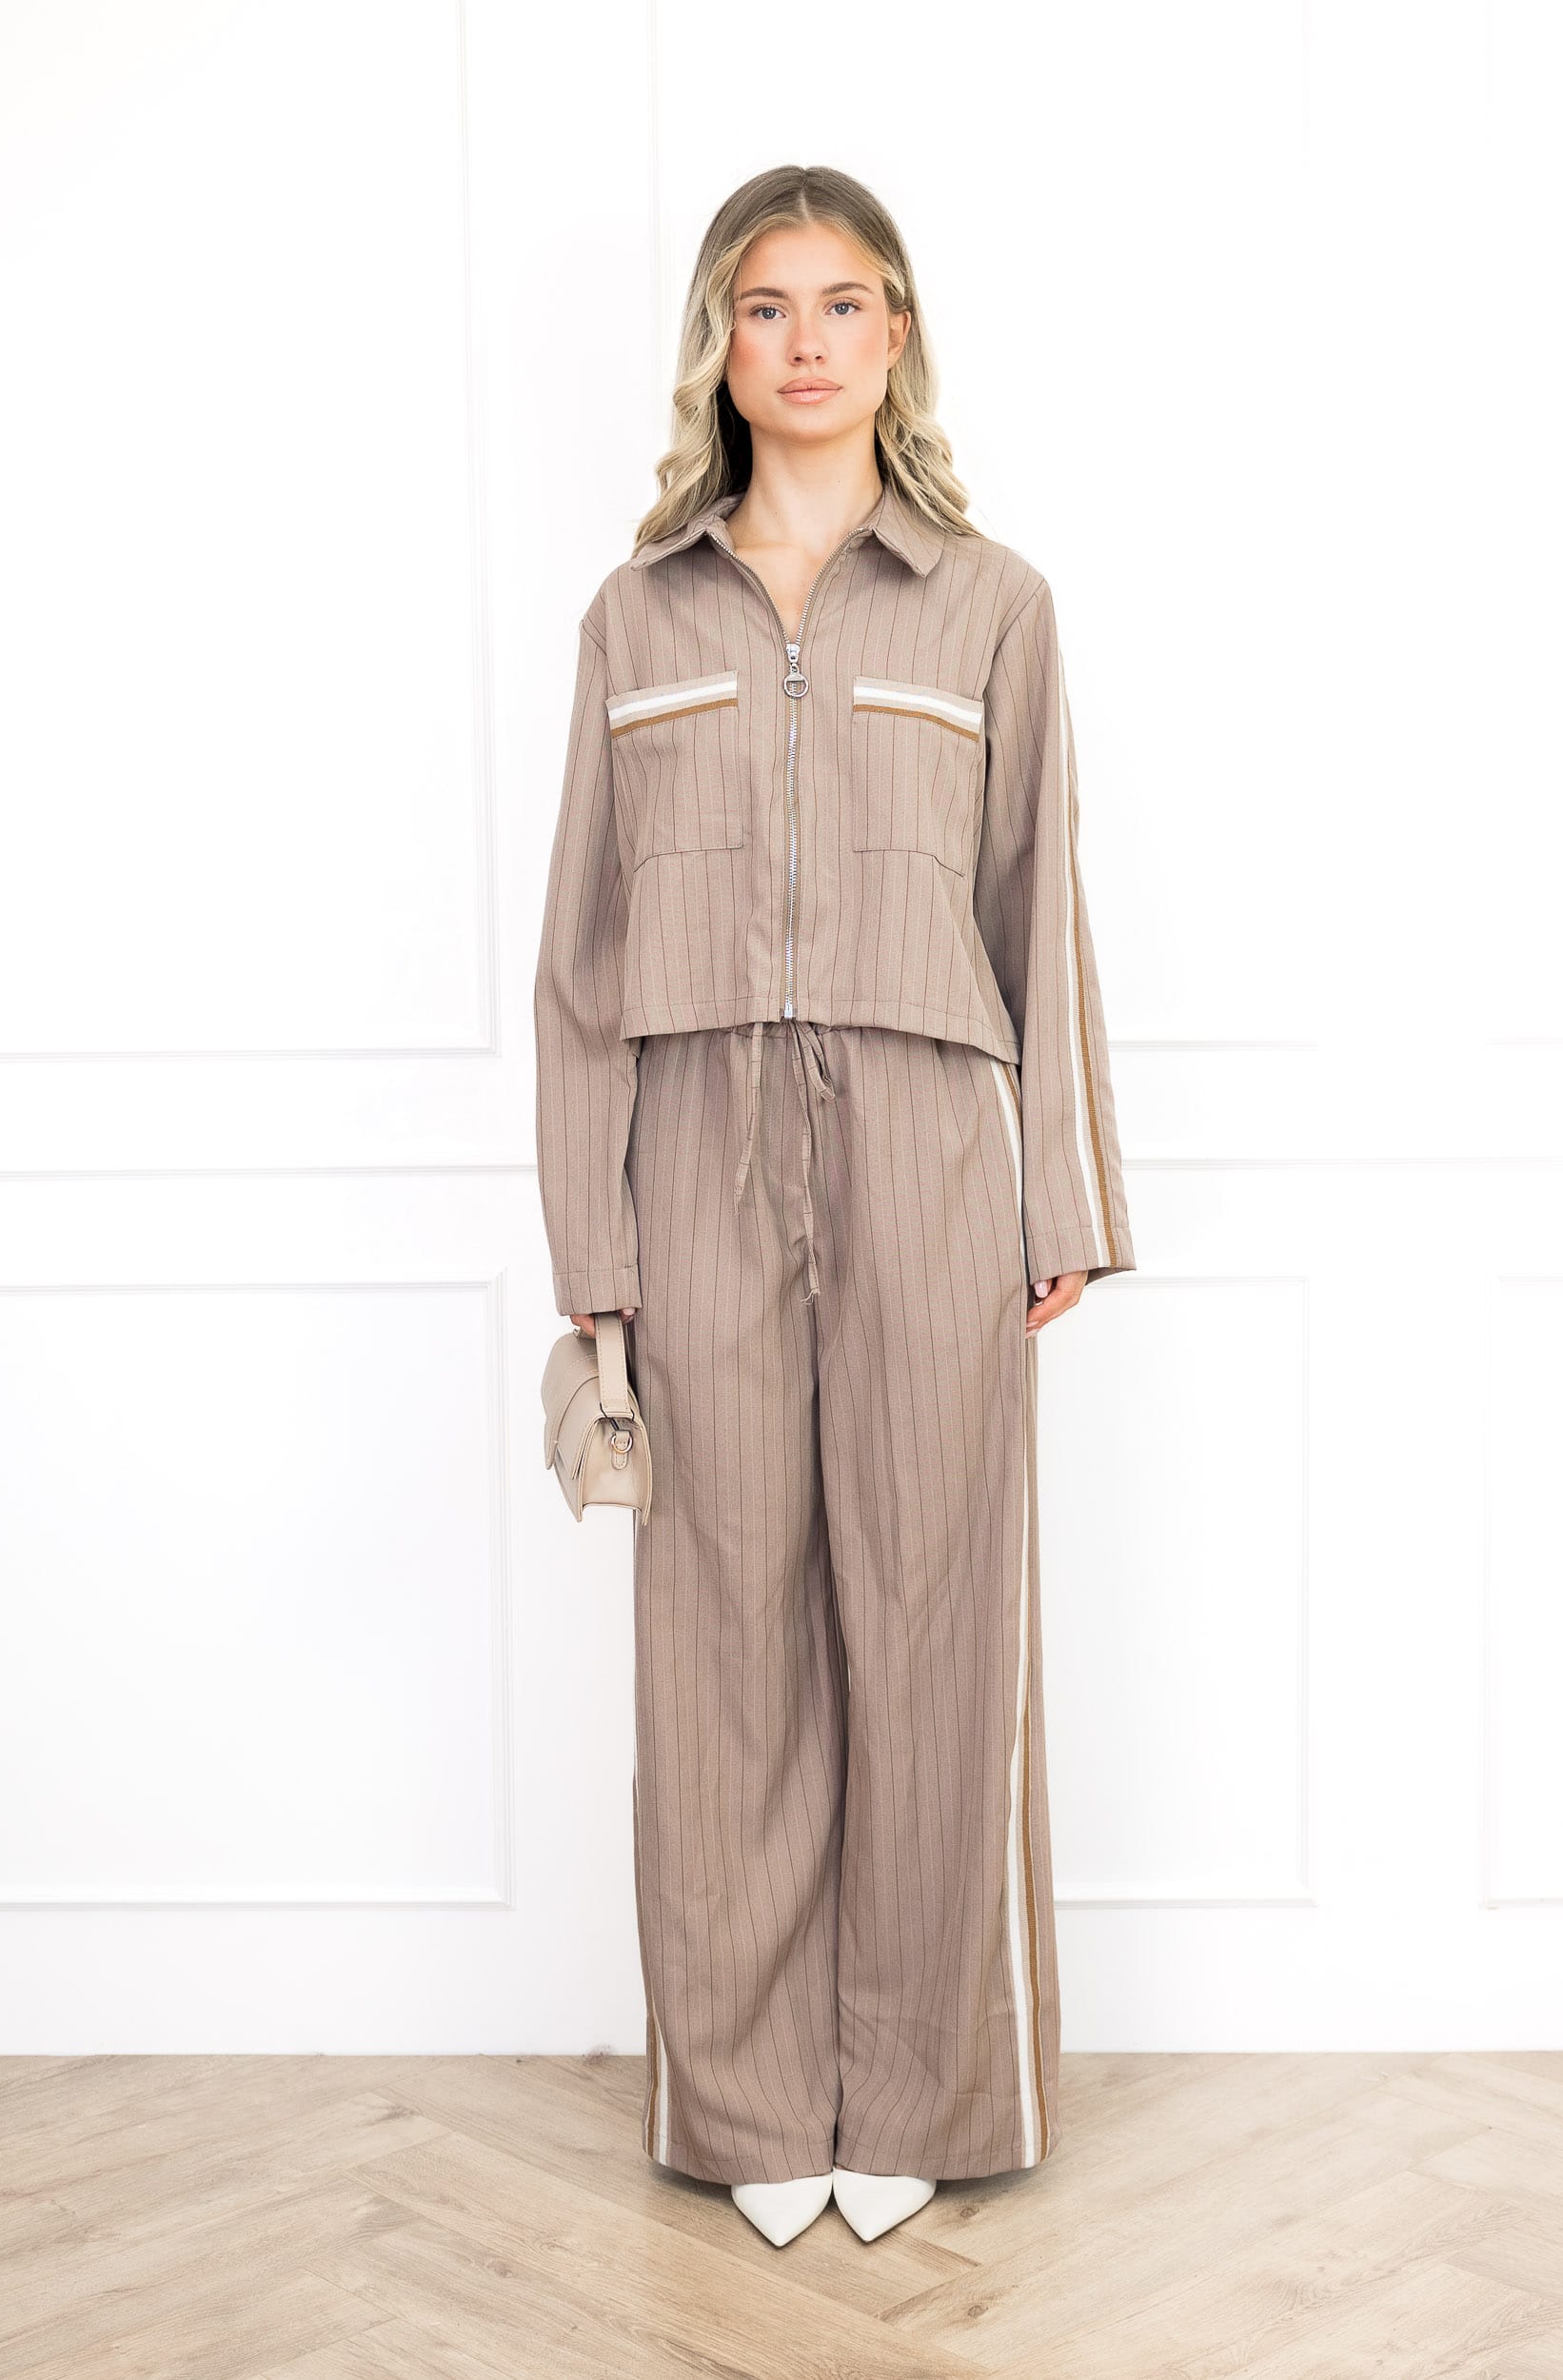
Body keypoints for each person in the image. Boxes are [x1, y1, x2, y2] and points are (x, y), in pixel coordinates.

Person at [533, 163, 1137, 2250]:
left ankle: (927, 2083)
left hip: (929, 1143)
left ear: (898, 335)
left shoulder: (993, 604)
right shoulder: (635, 617)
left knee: (937, 1616)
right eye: (766, 306)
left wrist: (1062, 1193)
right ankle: (752, 2098)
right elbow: (579, 965)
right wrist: (594, 1251)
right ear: (720, 344)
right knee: (719, 1636)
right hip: (693, 1145)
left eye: (845, 302)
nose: (806, 342)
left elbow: (1039, 907)